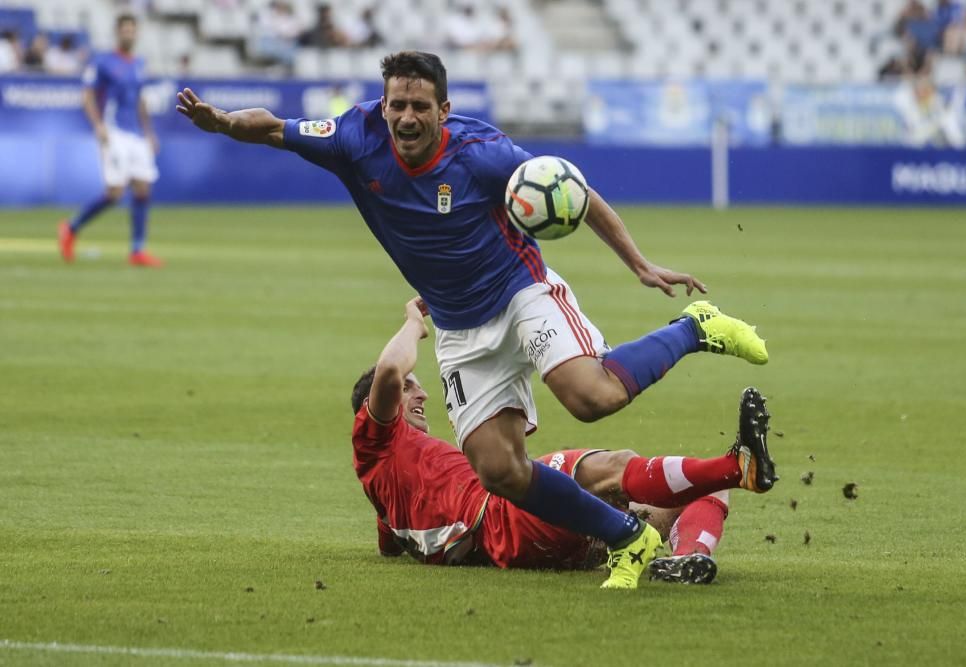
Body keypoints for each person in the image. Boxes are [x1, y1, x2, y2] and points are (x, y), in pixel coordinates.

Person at [175, 51, 773, 589]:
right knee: (499, 472)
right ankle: (630, 540)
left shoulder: (480, 153)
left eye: (419, 107)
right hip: (461, 330)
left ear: (444, 110)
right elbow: (274, 127)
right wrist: (223, 122)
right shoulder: (354, 137)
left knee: (589, 398)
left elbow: (576, 193)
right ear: (383, 105)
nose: (406, 118)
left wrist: (639, 264)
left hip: (520, 293)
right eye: (396, 105)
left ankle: (694, 327)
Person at [352, 297, 776, 583]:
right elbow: (389, 369)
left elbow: (391, 543)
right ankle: (738, 468)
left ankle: (686, 556)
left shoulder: (386, 490)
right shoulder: (376, 441)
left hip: (542, 547)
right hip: (505, 516)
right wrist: (414, 322)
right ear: (369, 411)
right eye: (410, 388)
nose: (420, 392)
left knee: (693, 492)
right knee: (611, 467)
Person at [58, 14, 162, 267]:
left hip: (136, 134)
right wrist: (98, 125)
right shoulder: (103, 62)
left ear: (137, 34)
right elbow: (88, 95)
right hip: (114, 130)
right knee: (115, 193)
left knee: (143, 188)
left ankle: (137, 250)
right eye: (125, 30)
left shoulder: (139, 63)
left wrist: (149, 132)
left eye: (132, 30)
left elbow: (140, 100)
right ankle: (71, 227)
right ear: (117, 33)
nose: (129, 34)